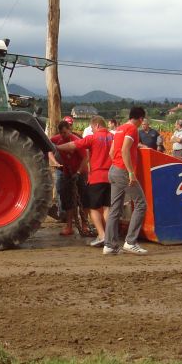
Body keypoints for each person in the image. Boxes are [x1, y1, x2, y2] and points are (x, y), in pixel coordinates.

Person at [56, 116, 113, 247]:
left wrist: (57, 147)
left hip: (97, 177)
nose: (92, 130)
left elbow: (72, 145)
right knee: (106, 208)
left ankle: (102, 235)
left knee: (93, 209)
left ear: (97, 125)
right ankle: (108, 236)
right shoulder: (113, 137)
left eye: (92, 128)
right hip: (110, 177)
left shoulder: (92, 138)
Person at [104, 105, 148, 255]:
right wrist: (130, 172)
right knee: (141, 203)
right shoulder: (132, 129)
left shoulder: (120, 128)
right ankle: (130, 242)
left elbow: (112, 152)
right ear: (141, 119)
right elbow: (125, 150)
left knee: (115, 209)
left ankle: (109, 245)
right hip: (123, 171)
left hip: (113, 170)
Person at [50, 119, 87, 237]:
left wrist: (79, 172)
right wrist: (54, 161)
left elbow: (86, 158)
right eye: (61, 133)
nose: (63, 135)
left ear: (69, 130)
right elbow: (48, 147)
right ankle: (69, 226)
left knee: (83, 199)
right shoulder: (57, 139)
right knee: (68, 201)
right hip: (67, 172)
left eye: (65, 133)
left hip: (80, 173)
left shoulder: (77, 141)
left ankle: (85, 225)